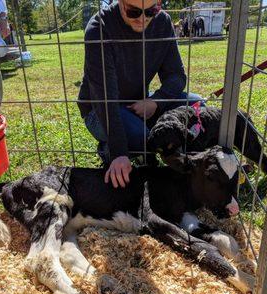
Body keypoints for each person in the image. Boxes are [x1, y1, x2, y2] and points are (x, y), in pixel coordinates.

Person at [78, 0, 203, 188]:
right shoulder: (99, 28)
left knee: (198, 106)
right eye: (134, 11)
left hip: (140, 103)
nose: (143, 18)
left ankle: (178, 150)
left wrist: (156, 102)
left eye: (152, 10)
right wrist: (119, 152)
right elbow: (105, 99)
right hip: (100, 109)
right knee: (141, 138)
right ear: (120, 3)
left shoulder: (162, 22)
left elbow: (176, 75)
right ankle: (108, 149)